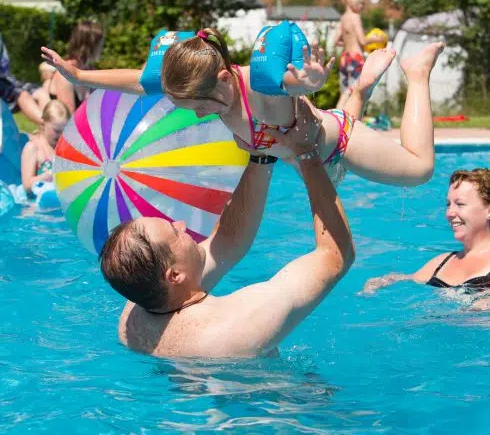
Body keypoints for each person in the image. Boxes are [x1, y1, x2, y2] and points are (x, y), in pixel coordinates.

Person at [99, 98, 355, 358]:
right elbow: (335, 256)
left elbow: (227, 241)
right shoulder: (236, 326)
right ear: (174, 275)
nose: (182, 225)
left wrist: (261, 155)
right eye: (175, 232)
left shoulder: (133, 317)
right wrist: (307, 154)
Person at [42, 26, 443, 189]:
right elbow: (138, 81)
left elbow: (288, 84)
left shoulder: (255, 86)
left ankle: (417, 72)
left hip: (338, 147)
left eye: (201, 106)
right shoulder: (199, 80)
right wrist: (79, 78)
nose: (199, 115)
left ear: (221, 80)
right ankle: (363, 85)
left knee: (420, 170)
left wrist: (309, 82)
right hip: (304, 154)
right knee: (319, 134)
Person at [363, 169, 490, 302]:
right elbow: (409, 279)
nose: (450, 213)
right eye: (448, 205)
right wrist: (383, 281)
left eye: (460, 204)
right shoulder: (442, 262)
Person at [0, 0, 46, 126]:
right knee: (22, 95)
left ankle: (56, 128)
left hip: (5, 78)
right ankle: (53, 129)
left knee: (41, 92)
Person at [334, 0, 386, 109]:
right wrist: (374, 38)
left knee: (345, 91)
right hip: (356, 58)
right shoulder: (355, 17)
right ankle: (342, 115)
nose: (363, 7)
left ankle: (339, 116)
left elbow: (336, 41)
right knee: (355, 91)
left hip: (344, 58)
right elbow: (362, 41)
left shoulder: (343, 18)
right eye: (361, 3)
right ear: (351, 1)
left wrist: (348, 42)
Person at [47, 20, 104, 114]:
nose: (101, 47)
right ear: (90, 45)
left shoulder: (90, 70)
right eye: (100, 43)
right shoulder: (65, 72)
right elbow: (69, 118)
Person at [20, 99, 70, 195]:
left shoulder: (67, 148)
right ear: (43, 124)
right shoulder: (33, 148)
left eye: (64, 131)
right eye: (56, 131)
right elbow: (27, 186)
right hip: (37, 204)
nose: (60, 135)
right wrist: (49, 176)